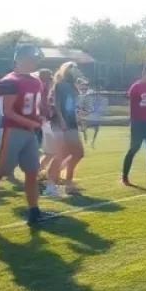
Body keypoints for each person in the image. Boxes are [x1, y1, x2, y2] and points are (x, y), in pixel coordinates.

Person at [0, 45, 45, 229]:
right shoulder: (10, 81)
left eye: (35, 60)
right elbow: (8, 112)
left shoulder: (35, 81)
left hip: (30, 132)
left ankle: (34, 210)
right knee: (0, 172)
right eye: (30, 59)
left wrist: (39, 118)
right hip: (14, 131)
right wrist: (29, 122)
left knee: (32, 172)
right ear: (19, 60)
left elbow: (34, 107)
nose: (34, 63)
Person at [51, 61, 85, 195]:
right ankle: (56, 181)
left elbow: (75, 107)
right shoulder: (60, 85)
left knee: (75, 153)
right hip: (63, 123)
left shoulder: (73, 86)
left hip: (72, 122)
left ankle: (64, 180)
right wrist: (62, 120)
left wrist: (80, 119)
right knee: (66, 153)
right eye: (73, 68)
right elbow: (57, 105)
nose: (76, 71)